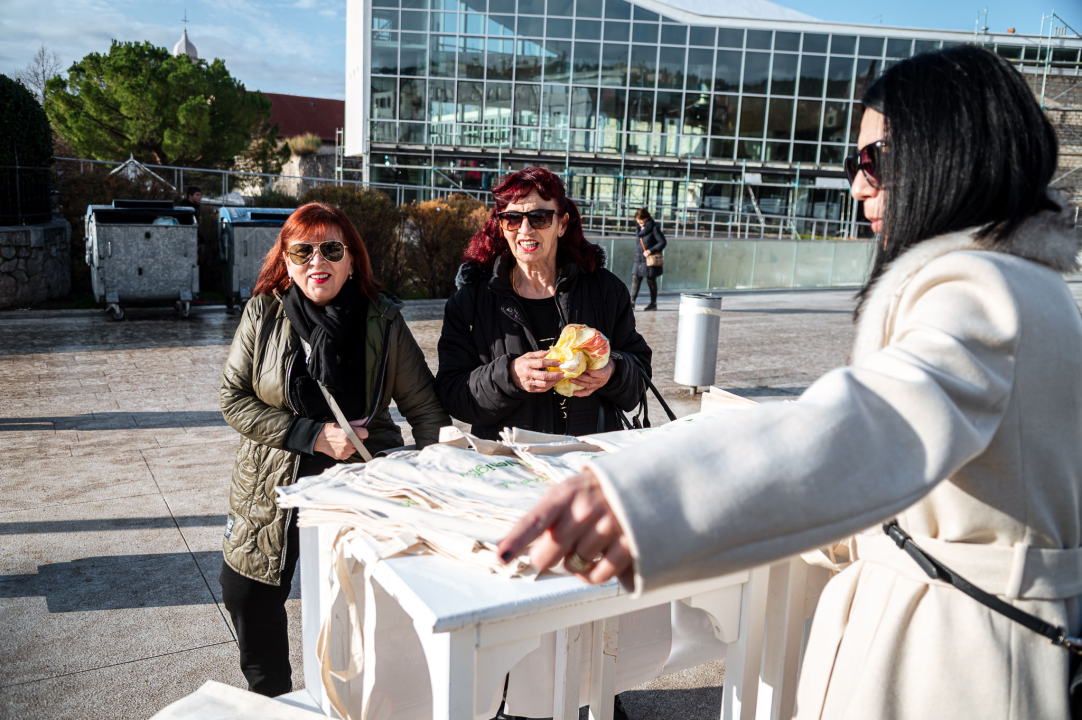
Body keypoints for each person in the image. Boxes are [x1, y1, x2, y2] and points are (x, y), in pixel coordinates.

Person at [497, 46, 1082, 719]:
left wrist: (651, 496)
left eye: (876, 161)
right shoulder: (1017, 282)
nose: (858, 186)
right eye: (852, 165)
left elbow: (876, 421)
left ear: (953, 151)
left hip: (960, 661)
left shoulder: (988, 290)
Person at [218, 202, 450, 696]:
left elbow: (426, 410)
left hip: (361, 484)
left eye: (330, 249)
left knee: (363, 611)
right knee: (248, 599)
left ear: (351, 261)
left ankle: (361, 702)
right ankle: (274, 702)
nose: (315, 261)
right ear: (285, 259)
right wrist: (313, 435)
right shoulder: (264, 311)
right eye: (301, 250)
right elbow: (232, 398)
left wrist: (440, 493)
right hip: (273, 480)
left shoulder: (382, 319)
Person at [435, 166, 652, 441]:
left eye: (539, 217)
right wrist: (510, 376)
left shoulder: (605, 290)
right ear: (502, 225)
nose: (525, 230)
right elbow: (452, 392)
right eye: (512, 218)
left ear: (561, 224)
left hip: (586, 461)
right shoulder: (470, 303)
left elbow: (640, 371)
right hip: (511, 467)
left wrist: (613, 370)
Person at [630, 208, 666, 311]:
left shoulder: (654, 228)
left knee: (651, 281)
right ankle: (631, 302)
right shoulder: (639, 227)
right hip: (639, 259)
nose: (639, 221)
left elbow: (662, 242)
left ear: (647, 218)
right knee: (636, 279)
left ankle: (653, 303)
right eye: (637, 219)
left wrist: (651, 250)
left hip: (649, 260)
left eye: (641, 219)